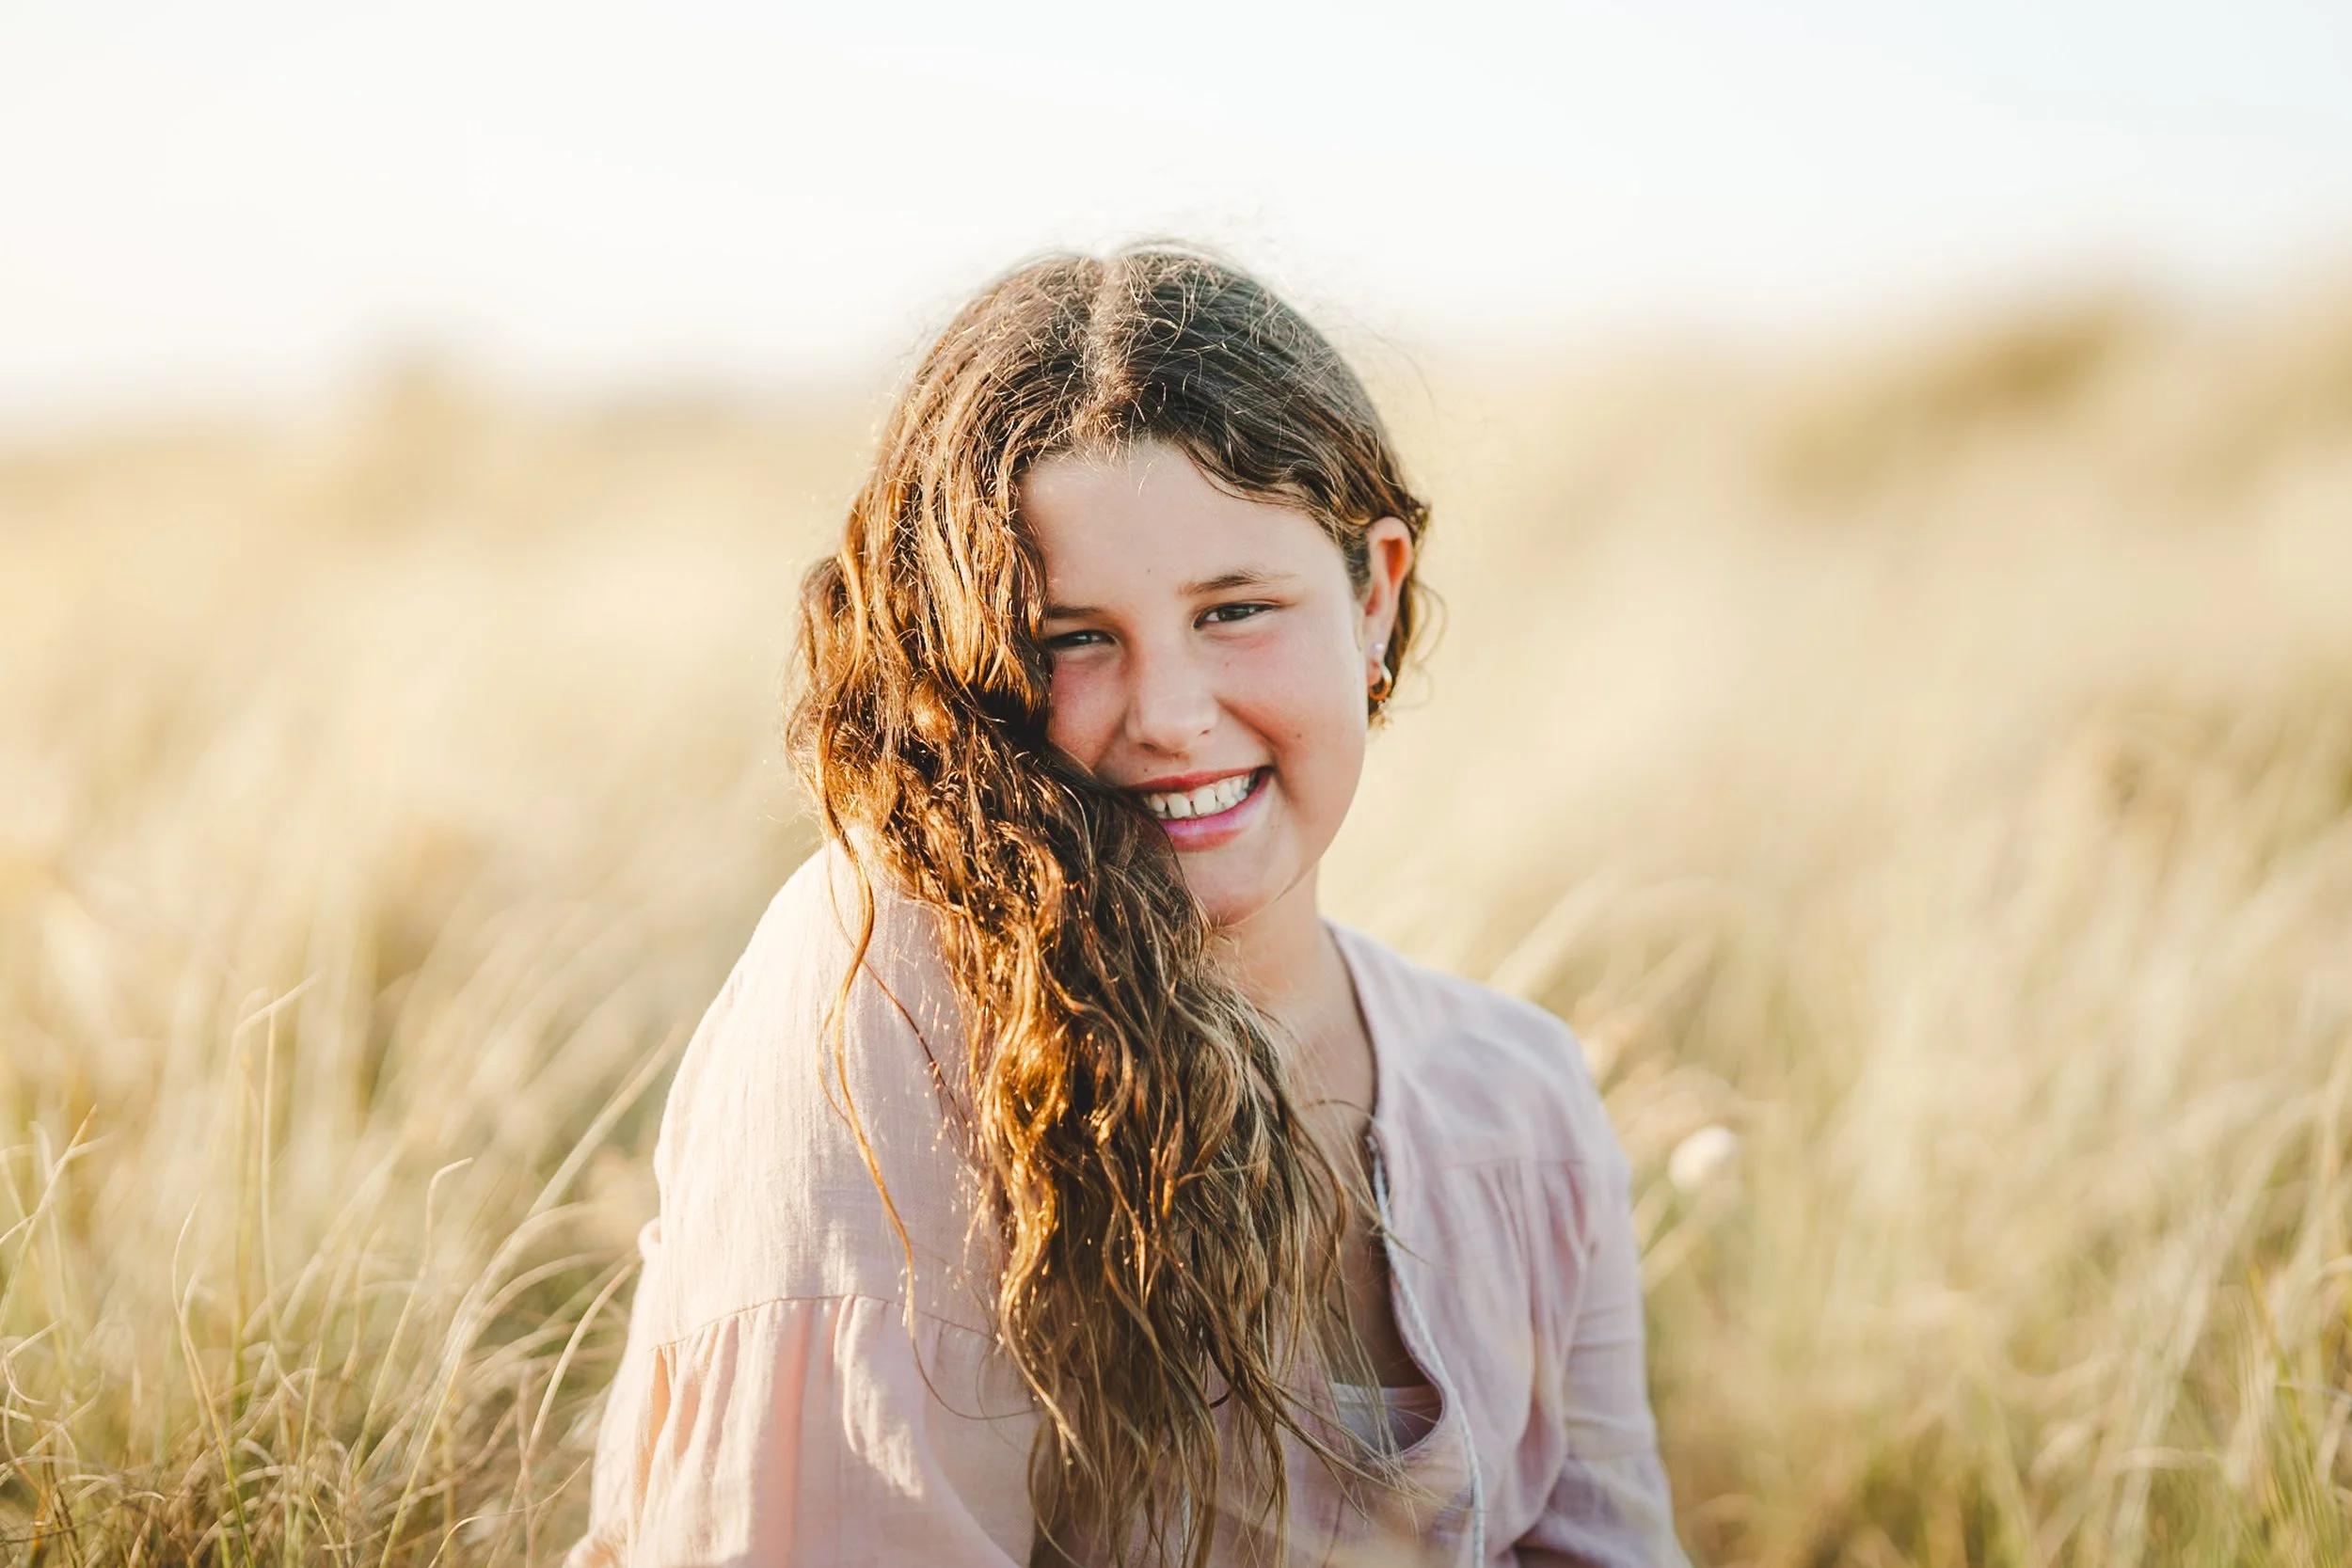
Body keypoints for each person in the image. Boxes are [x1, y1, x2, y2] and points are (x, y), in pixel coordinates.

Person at [567, 246, 1688, 1567]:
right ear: (964, 665)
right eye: (1068, 638)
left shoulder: (1524, 1101)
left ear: (1373, 594)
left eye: (1237, 609)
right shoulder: (883, 992)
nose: (1167, 715)